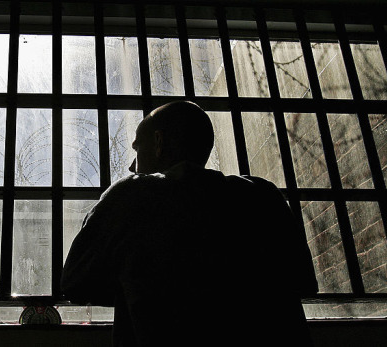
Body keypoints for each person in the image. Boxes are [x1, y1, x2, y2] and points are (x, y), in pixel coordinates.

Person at [61, 101, 318, 346]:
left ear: (159, 142)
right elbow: (304, 281)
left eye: (138, 149)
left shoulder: (133, 196)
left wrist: (136, 282)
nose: (131, 165)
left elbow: (75, 282)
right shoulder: (263, 195)